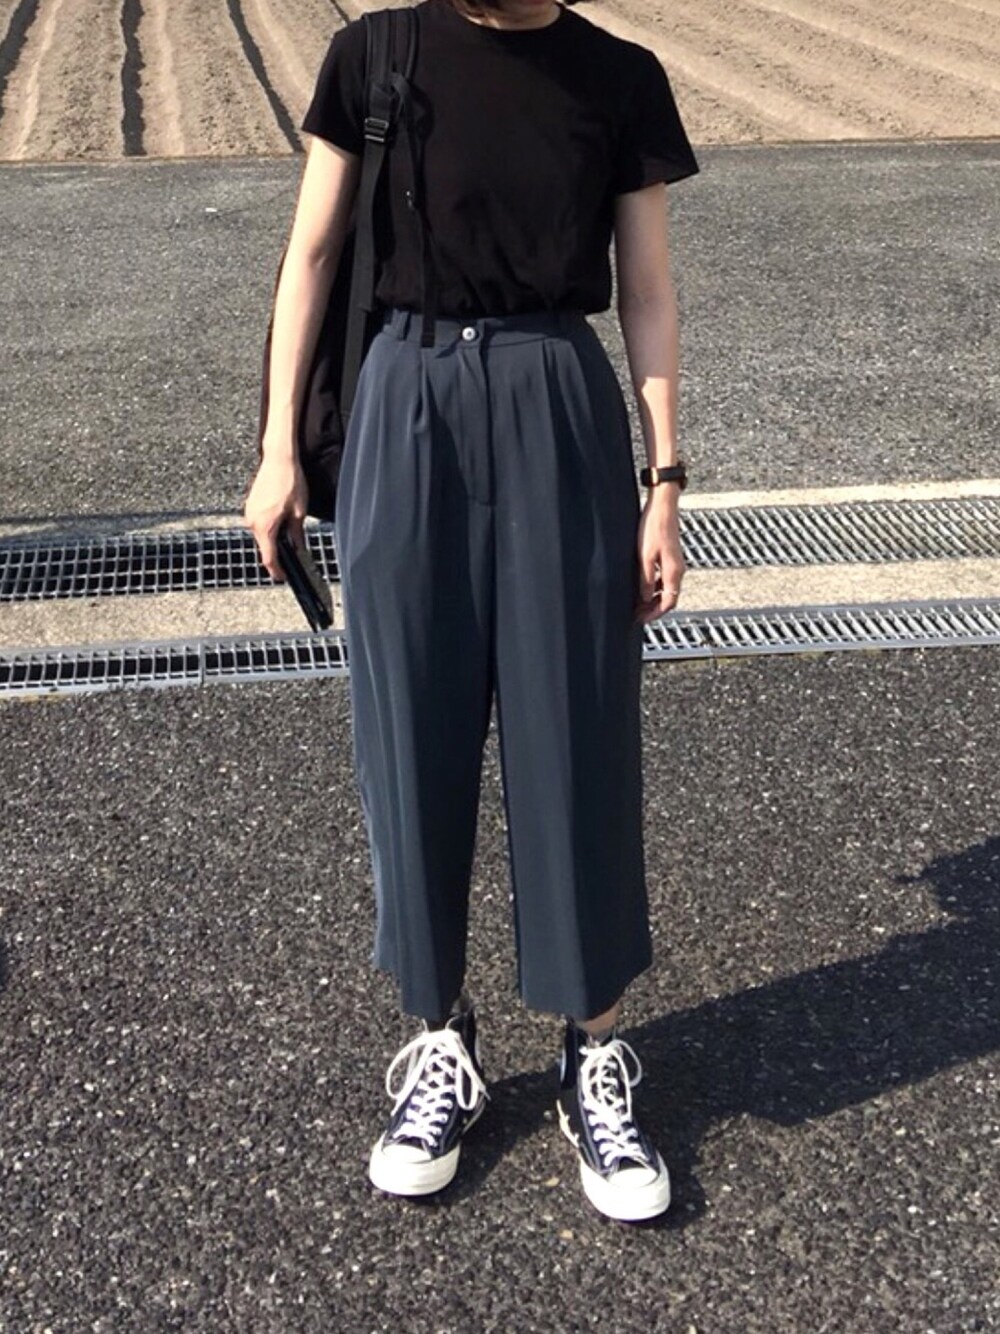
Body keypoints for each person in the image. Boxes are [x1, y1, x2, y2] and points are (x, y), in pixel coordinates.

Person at [243, 0, 699, 1222]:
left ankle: (592, 1047)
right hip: (404, 396)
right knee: (410, 733)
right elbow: (312, 256)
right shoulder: (373, 55)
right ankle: (439, 1037)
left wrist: (664, 481)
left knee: (576, 733)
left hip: (557, 397)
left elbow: (647, 291)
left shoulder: (616, 76)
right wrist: (278, 448)